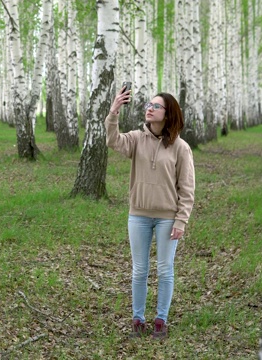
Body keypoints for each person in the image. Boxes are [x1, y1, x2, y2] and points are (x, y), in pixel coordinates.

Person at [105, 86, 195, 339]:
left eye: (156, 106)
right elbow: (113, 141)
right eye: (148, 104)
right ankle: (137, 320)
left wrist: (181, 220)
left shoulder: (181, 147)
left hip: (168, 217)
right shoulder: (136, 138)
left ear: (168, 114)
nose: (149, 108)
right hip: (139, 215)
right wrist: (113, 113)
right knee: (139, 270)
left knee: (165, 270)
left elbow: (187, 189)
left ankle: (161, 321)